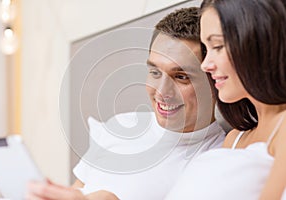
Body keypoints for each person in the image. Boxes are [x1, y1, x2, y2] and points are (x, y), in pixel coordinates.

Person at [25, 7, 226, 200]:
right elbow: (77, 191)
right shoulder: (120, 125)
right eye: (155, 72)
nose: (162, 91)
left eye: (181, 76)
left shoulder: (217, 159)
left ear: (214, 80)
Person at [165, 0, 286, 199]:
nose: (205, 65)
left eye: (217, 46)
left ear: (258, 42)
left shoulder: (282, 129)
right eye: (206, 49)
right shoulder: (234, 139)